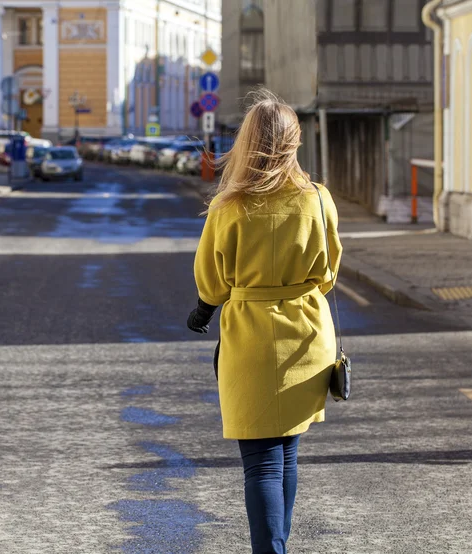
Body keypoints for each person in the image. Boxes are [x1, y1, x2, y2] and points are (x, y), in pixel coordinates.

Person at [187, 90, 342, 554]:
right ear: (294, 143)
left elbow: (211, 281)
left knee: (261, 463)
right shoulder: (317, 198)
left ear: (247, 143)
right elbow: (329, 273)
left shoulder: (228, 206)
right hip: (307, 335)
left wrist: (203, 311)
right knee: (287, 452)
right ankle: (278, 545)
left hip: (250, 338)